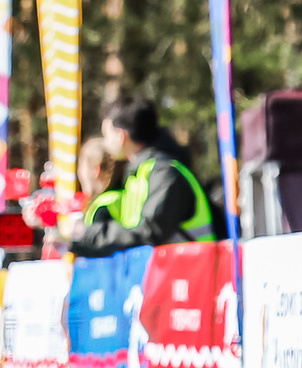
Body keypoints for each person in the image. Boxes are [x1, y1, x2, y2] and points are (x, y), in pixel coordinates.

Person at [65, 97, 214, 255]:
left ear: (121, 136)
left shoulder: (164, 173)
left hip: (189, 272)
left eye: (106, 135)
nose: (105, 142)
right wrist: (75, 244)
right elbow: (131, 237)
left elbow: (149, 233)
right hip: (170, 274)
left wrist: (87, 233)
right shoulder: (141, 173)